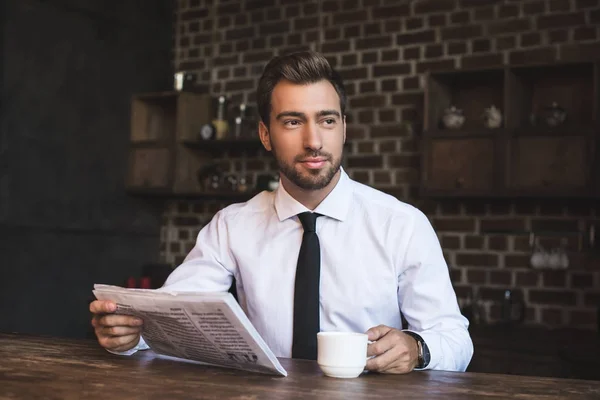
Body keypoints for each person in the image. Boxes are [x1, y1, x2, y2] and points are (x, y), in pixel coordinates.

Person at [90, 51, 473, 374]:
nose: (313, 141)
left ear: (344, 129)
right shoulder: (232, 225)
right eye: (293, 121)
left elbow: (455, 339)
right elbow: (172, 313)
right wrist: (129, 334)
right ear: (265, 134)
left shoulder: (402, 224)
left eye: (327, 120)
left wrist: (418, 349)